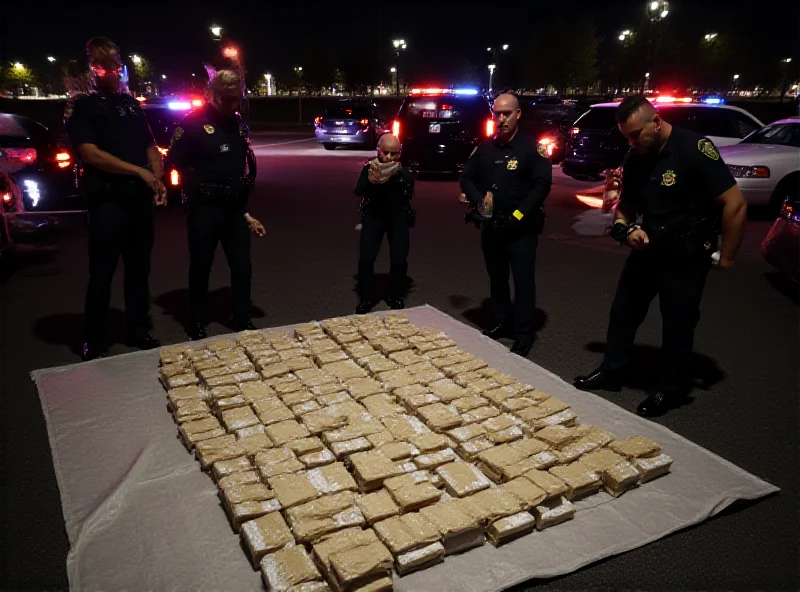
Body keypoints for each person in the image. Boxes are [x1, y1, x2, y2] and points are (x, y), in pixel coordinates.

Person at [574, 95, 747, 417]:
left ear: (656, 121)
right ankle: (612, 372)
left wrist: (728, 257)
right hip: (649, 248)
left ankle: (669, 391)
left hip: (686, 254)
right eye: (626, 136)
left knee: (677, 325)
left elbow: (735, 204)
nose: (631, 141)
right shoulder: (638, 155)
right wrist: (627, 230)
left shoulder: (694, 149)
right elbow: (626, 207)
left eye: (636, 134)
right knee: (623, 312)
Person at [65, 37, 167, 361]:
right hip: (108, 202)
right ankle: (94, 338)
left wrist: (157, 175)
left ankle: (137, 329)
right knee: (103, 272)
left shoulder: (131, 105)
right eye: (109, 66)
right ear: (94, 70)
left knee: (139, 270)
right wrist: (139, 173)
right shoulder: (84, 106)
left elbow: (150, 144)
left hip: (138, 203)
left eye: (118, 66)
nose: (116, 72)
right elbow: (90, 154)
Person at [168, 68, 263, 340]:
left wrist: (245, 207)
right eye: (227, 99)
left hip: (234, 208)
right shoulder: (192, 124)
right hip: (205, 208)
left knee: (242, 266)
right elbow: (175, 161)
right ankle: (197, 321)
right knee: (201, 265)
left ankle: (242, 317)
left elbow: (243, 162)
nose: (233, 105)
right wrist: (195, 183)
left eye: (237, 100)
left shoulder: (238, 124)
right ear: (212, 95)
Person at [460, 93, 552, 357]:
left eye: (507, 113)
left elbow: (542, 186)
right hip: (492, 227)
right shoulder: (486, 149)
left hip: (521, 228)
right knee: (497, 279)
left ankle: (524, 334)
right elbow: (466, 178)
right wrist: (480, 202)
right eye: (497, 114)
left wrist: (519, 215)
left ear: (518, 114)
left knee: (523, 282)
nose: (501, 119)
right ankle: (500, 322)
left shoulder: (531, 147)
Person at [354, 133, 415, 314]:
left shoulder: (402, 172)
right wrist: (373, 181)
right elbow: (358, 190)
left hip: (397, 218)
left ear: (399, 154)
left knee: (398, 259)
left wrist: (394, 176)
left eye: (393, 154)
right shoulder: (369, 167)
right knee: (366, 258)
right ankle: (365, 298)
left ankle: (396, 296)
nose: (388, 157)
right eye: (385, 153)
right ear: (378, 151)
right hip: (374, 217)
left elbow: (409, 190)